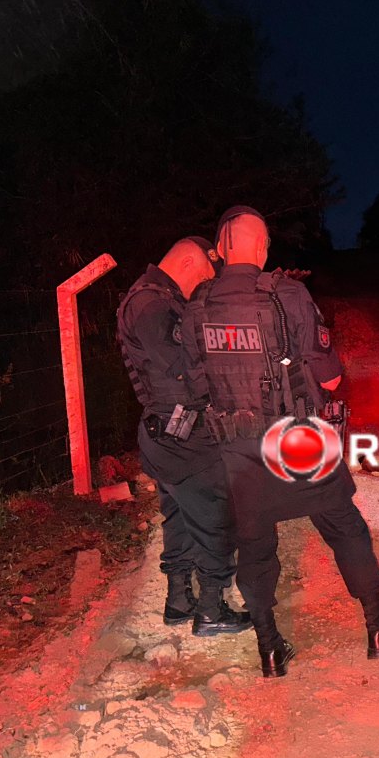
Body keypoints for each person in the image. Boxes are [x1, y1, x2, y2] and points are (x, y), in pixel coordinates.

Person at [180, 206, 379, 678]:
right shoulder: (287, 294)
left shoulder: (196, 304)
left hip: (237, 448)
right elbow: (329, 380)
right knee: (344, 526)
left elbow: (193, 385)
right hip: (296, 438)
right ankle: (377, 627)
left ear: (221, 249)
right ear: (263, 249)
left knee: (255, 544)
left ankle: (269, 648)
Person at [116, 237, 251, 636]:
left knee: (178, 518)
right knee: (217, 519)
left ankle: (178, 602)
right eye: (207, 275)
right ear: (191, 261)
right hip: (185, 436)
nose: (205, 285)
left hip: (168, 434)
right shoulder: (153, 303)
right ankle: (212, 610)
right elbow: (182, 370)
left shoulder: (153, 297)